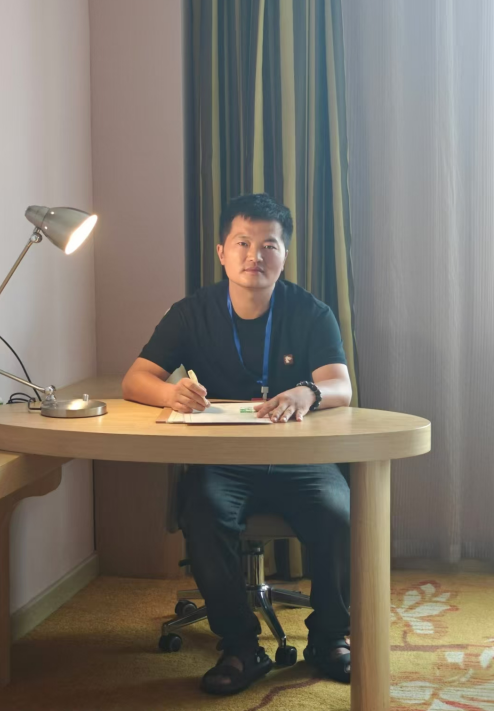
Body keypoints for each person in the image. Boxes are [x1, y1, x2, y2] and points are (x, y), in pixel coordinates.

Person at [122, 193, 353, 696]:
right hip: (223, 463)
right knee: (203, 511)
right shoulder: (192, 313)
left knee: (338, 512)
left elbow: (341, 385)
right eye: (243, 243)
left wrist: (308, 392)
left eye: (269, 245)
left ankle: (330, 638)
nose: (255, 256)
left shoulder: (310, 312)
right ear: (222, 252)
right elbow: (135, 379)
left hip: (298, 460)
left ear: (284, 255)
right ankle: (241, 646)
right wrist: (170, 393)